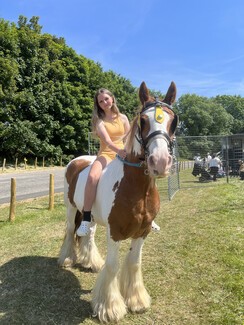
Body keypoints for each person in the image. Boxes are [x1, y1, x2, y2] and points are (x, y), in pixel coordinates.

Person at [76, 88, 161, 236]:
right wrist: (120, 151)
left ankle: (149, 215)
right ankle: (87, 218)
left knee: (145, 174)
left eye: (106, 99)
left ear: (112, 99)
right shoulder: (99, 120)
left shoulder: (122, 118)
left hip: (124, 154)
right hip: (106, 154)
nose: (104, 103)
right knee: (92, 177)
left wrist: (131, 152)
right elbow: (107, 142)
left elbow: (129, 137)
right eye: (100, 101)